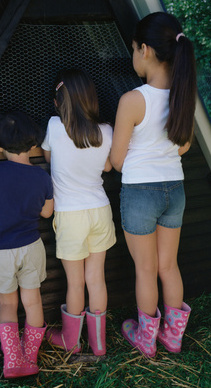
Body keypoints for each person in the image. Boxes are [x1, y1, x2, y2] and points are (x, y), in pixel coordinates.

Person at [110, 12, 196, 357]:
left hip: (140, 194)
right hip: (174, 190)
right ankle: (172, 337)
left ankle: (146, 338)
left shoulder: (132, 100)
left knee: (145, 269)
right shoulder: (183, 94)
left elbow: (117, 161)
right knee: (167, 266)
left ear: (144, 50)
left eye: (133, 48)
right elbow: (184, 145)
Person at [0, 112, 54, 378]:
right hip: (31, 247)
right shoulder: (41, 177)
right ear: (33, 145)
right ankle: (30, 356)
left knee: (7, 305)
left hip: (0, 251)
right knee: (33, 302)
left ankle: (13, 361)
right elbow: (47, 213)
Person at [41, 68, 116, 356]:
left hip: (70, 215)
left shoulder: (54, 127)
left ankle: (71, 341)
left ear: (61, 103)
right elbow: (108, 166)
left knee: (75, 282)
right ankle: (99, 345)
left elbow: (48, 157)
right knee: (96, 278)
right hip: (100, 210)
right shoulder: (106, 131)